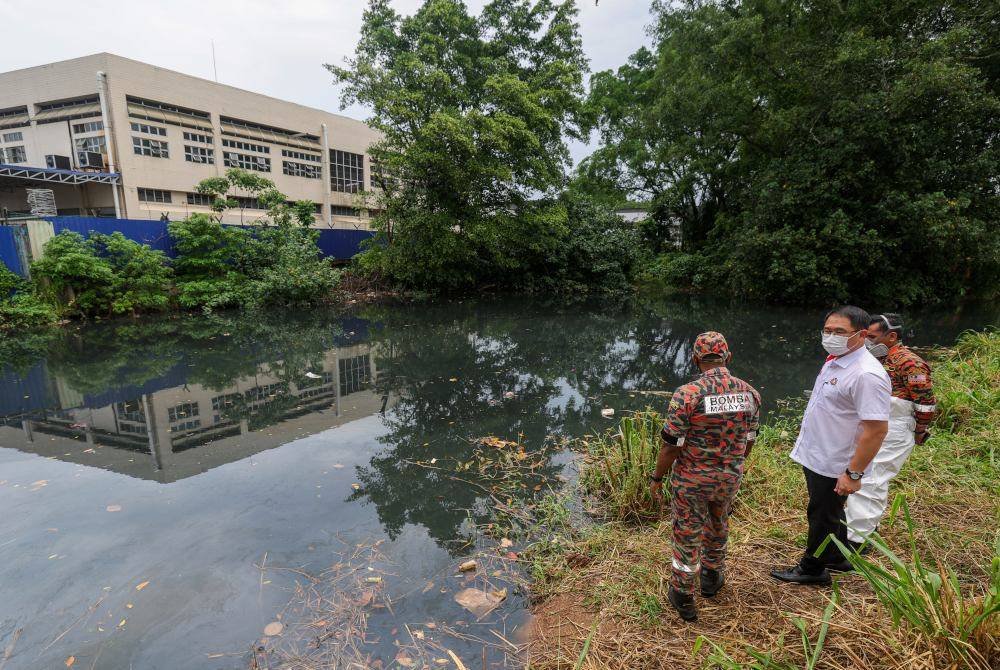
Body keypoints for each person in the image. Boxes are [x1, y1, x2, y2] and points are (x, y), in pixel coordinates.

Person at [771, 306, 890, 586]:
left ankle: (813, 568)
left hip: (836, 459)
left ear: (861, 335)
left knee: (822, 513)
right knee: (830, 510)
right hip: (818, 452)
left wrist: (853, 473)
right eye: (827, 330)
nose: (830, 336)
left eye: (839, 332)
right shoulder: (837, 359)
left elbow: (876, 430)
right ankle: (837, 556)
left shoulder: (866, 374)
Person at [650, 331, 760, 621]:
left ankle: (683, 595)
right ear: (728, 357)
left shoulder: (688, 394)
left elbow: (671, 446)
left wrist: (657, 477)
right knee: (718, 524)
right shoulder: (750, 393)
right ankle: (712, 579)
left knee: (688, 534)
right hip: (729, 478)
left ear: (696, 359)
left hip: (692, 481)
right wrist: (730, 464)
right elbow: (749, 440)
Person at [845, 313, 937, 546]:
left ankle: (858, 540)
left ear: (892, 336)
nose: (867, 341)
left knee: (871, 479)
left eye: (873, 337)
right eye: (865, 336)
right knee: (865, 473)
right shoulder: (876, 359)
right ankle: (864, 526)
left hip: (895, 426)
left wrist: (920, 431)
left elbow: (925, 402)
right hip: (875, 423)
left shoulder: (909, 362)